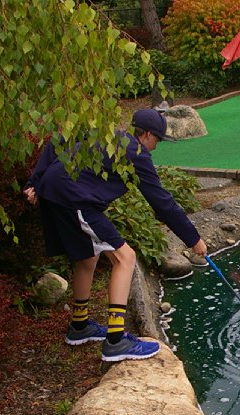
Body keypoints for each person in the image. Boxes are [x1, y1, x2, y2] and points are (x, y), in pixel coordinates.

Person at [23, 109, 207, 362]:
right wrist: (194, 240)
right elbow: (162, 202)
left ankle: (80, 326)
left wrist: (34, 181)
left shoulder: (110, 136)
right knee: (125, 258)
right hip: (73, 198)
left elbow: (60, 141)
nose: (157, 146)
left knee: (88, 257)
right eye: (158, 139)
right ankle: (116, 340)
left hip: (58, 192)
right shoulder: (137, 154)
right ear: (146, 135)